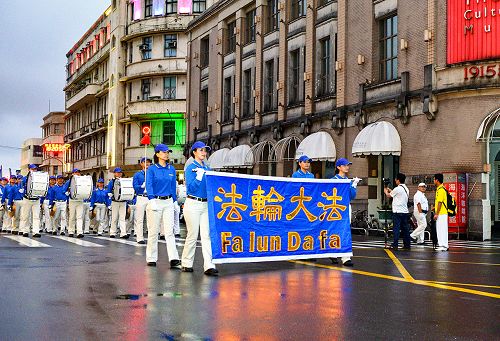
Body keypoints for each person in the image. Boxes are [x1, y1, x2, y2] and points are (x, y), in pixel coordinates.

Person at [181, 141, 218, 276]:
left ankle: (209, 265)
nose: (203, 152)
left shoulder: (208, 168)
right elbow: (191, 188)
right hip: (193, 204)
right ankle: (186, 262)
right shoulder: (191, 167)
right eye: (201, 150)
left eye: (205, 150)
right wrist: (199, 176)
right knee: (192, 234)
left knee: (206, 235)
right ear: (194, 152)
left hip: (206, 204)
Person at [145, 144, 181, 268]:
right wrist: (151, 198)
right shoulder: (152, 169)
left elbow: (173, 187)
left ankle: (174, 258)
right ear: (157, 154)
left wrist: (175, 201)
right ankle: (151, 258)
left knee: (169, 232)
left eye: (167, 152)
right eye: (164, 152)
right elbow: (149, 184)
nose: (166, 154)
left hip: (168, 202)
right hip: (156, 201)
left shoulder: (171, 169)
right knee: (154, 231)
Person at [331, 158, 359, 266]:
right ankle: (333, 252)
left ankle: (346, 257)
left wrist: (354, 185)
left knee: (345, 230)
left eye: (348, 165)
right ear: (338, 167)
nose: (347, 167)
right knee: (334, 230)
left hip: (346, 208)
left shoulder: (348, 180)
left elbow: (351, 196)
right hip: (335, 208)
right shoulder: (333, 180)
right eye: (345, 165)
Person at [384, 173, 411, 250]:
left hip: (397, 212)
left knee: (396, 228)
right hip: (405, 212)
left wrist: (386, 190)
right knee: (405, 229)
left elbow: (389, 195)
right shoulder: (406, 188)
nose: (395, 180)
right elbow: (398, 194)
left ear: (398, 180)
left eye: (396, 179)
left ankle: (395, 244)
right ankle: (407, 245)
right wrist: (390, 190)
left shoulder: (397, 189)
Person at [19, 164, 43, 238]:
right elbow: (20, 188)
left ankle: (36, 231)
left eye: (35, 169)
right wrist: (22, 192)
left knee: (36, 216)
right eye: (33, 169)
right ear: (29, 169)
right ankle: (25, 231)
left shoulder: (39, 178)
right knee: (25, 216)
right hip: (27, 199)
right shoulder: (25, 178)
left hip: (36, 199)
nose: (34, 170)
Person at [132, 157, 151, 244]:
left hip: (150, 197)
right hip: (141, 197)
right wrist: (141, 186)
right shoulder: (137, 175)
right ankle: (139, 237)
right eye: (145, 162)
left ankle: (151, 237)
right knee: (139, 219)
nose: (147, 164)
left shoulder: (152, 174)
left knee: (151, 219)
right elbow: (135, 186)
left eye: (148, 162)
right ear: (141, 164)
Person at [107, 167, 128, 239]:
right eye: (118, 172)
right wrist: (109, 194)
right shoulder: (112, 181)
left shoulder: (124, 181)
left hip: (123, 201)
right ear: (115, 173)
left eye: (120, 172)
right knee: (114, 217)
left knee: (122, 218)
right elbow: (108, 190)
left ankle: (123, 233)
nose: (119, 174)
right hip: (115, 201)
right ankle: (112, 232)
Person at [67, 168, 86, 238]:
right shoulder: (70, 181)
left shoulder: (83, 181)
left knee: (79, 217)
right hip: (72, 200)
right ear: (73, 174)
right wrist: (67, 193)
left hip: (80, 200)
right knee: (72, 216)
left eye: (78, 172)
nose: (77, 173)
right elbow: (64, 189)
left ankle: (79, 232)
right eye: (76, 172)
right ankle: (71, 231)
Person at [433, 173, 449, 251]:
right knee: (443, 229)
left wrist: (436, 214)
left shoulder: (440, 190)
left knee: (441, 229)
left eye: (434, 179)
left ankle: (443, 245)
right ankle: (444, 245)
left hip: (441, 213)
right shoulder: (442, 189)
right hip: (442, 213)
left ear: (437, 180)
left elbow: (440, 202)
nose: (433, 181)